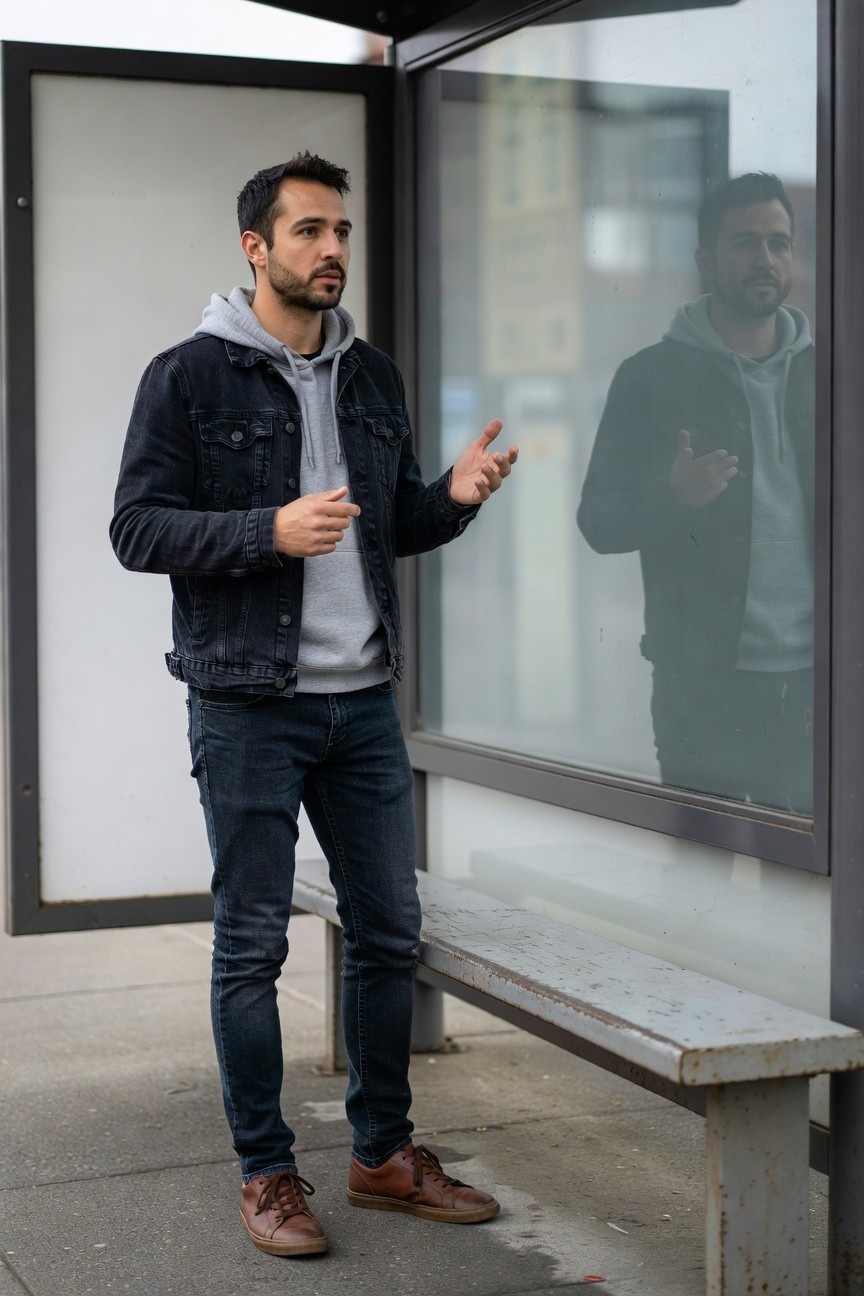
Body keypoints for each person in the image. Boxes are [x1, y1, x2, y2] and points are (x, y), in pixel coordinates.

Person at [110, 152, 518, 1257]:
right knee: (251, 948)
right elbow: (136, 528)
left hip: (365, 707)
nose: (333, 249)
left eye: (341, 231)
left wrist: (454, 503)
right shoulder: (189, 377)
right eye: (308, 232)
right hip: (249, 703)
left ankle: (383, 1154)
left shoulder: (371, 376)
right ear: (256, 248)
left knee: (390, 931)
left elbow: (390, 525)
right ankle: (267, 1173)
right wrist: (263, 532)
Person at [577, 173, 814, 813]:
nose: (764, 259)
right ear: (706, 261)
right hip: (699, 689)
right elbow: (598, 522)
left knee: (803, 899)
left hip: (816, 688)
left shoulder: (833, 376)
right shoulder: (651, 377)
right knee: (700, 887)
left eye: (778, 242)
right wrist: (672, 496)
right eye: (744, 243)